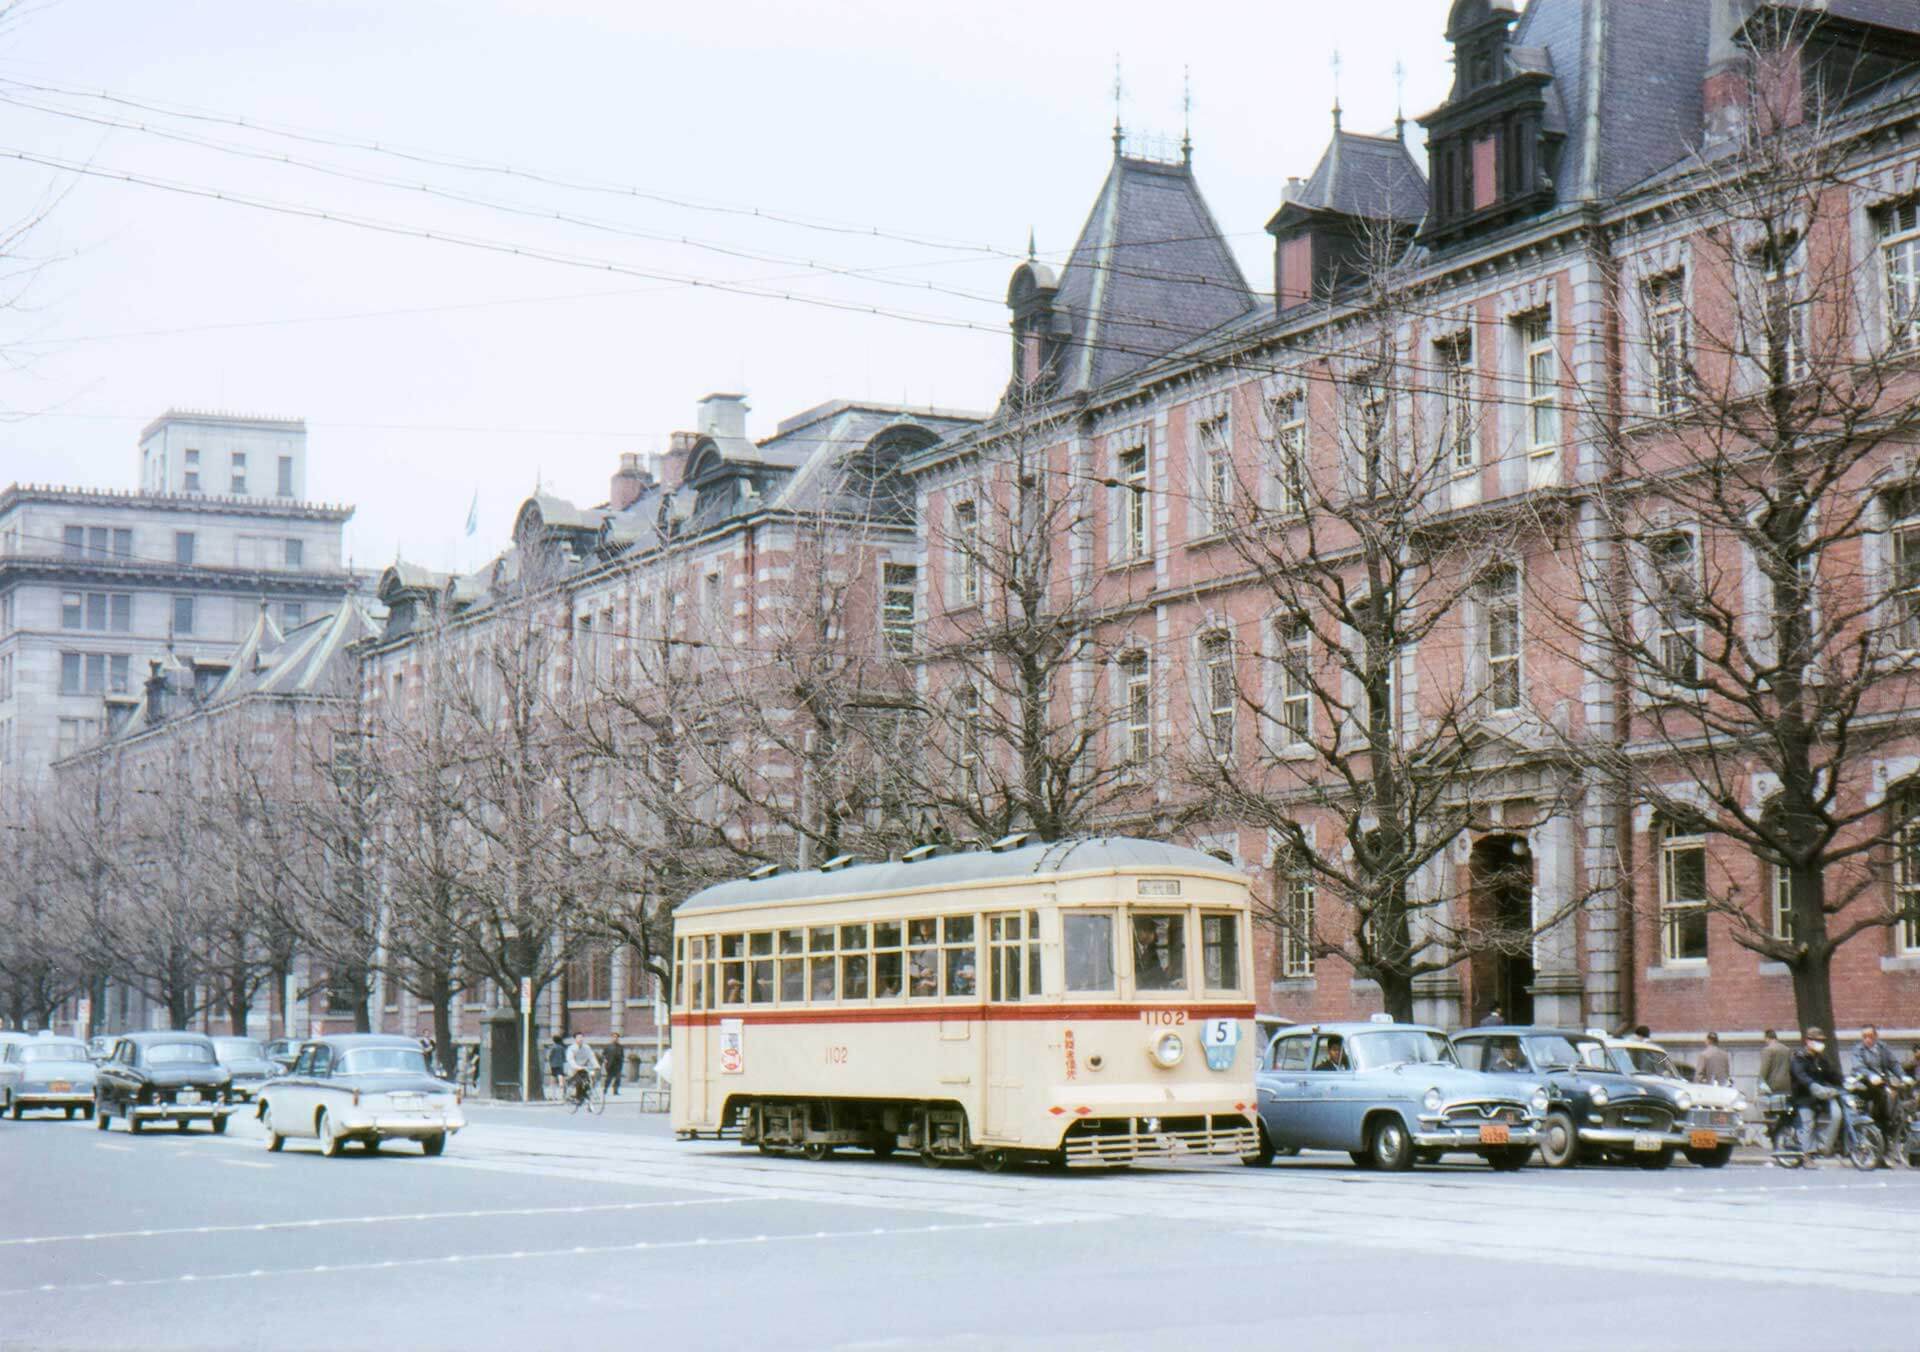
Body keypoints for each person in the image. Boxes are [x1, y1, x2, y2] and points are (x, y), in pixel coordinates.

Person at [1850, 1025, 1903, 1162]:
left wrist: (1903, 1076)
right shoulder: (1857, 1050)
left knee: (1896, 1100)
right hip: (1865, 1086)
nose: (1867, 1039)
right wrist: (1870, 1076)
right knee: (1881, 1111)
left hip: (1882, 1083)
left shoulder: (1882, 1048)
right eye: (1864, 1036)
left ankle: (1892, 1131)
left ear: (1876, 1036)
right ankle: (1881, 1137)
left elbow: (1893, 1063)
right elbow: (1858, 1067)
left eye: (1870, 1036)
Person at [1789, 1026, 1843, 1159]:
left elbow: (1832, 1075)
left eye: (1821, 1041)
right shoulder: (1799, 1058)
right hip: (1804, 1097)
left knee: (1837, 1114)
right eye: (1817, 1040)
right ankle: (1807, 1155)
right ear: (1808, 1041)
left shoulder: (1821, 1059)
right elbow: (1801, 1075)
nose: (1820, 1044)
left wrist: (1847, 1082)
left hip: (1821, 1096)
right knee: (1808, 1123)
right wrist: (1812, 1085)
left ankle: (1826, 1145)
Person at [562, 1032, 599, 1103]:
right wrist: (577, 1067)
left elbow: (591, 1057)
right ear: (575, 1039)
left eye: (581, 1037)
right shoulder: (571, 1048)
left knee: (590, 1079)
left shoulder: (586, 1047)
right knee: (579, 1082)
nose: (580, 1039)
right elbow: (570, 1060)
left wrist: (596, 1065)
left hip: (584, 1068)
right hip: (574, 1069)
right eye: (578, 1037)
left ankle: (584, 1094)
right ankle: (577, 1097)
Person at [1758, 1029, 1792, 1096]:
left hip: (1772, 1085)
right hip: (1786, 1084)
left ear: (1767, 1038)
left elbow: (1764, 1068)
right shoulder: (1787, 1049)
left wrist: (1761, 1081)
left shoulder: (1768, 1050)